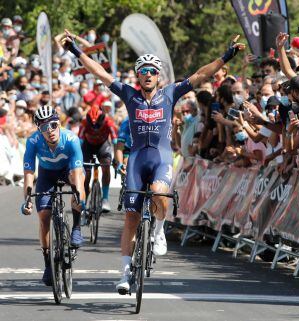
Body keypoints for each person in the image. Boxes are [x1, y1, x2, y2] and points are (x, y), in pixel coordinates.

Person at [59, 29, 245, 293]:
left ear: (159, 76)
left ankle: (159, 230)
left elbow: (201, 74)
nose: (147, 74)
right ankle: (124, 274)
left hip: (160, 157)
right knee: (131, 218)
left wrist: (226, 56)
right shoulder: (128, 94)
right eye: (143, 71)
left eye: (152, 71)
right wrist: (75, 51)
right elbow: (99, 73)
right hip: (137, 159)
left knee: (159, 192)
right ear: (138, 75)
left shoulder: (170, 93)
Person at [20, 105, 86, 286]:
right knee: (43, 217)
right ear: (38, 130)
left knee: (77, 186)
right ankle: (48, 263)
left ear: (60, 124)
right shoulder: (33, 141)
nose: (50, 131)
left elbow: (78, 173)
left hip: (69, 171)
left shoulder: (71, 139)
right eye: (44, 128)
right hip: (46, 174)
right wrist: (27, 198)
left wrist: (79, 195)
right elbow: (29, 172)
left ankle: (77, 227)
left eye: (54, 125)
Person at [78, 105, 117, 212]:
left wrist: (116, 159)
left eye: (97, 126)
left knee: (106, 168)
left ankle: (105, 199)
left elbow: (115, 141)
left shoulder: (108, 122)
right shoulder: (84, 122)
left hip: (103, 146)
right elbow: (79, 142)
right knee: (86, 174)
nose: (95, 128)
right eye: (92, 126)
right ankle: (84, 200)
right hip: (88, 147)